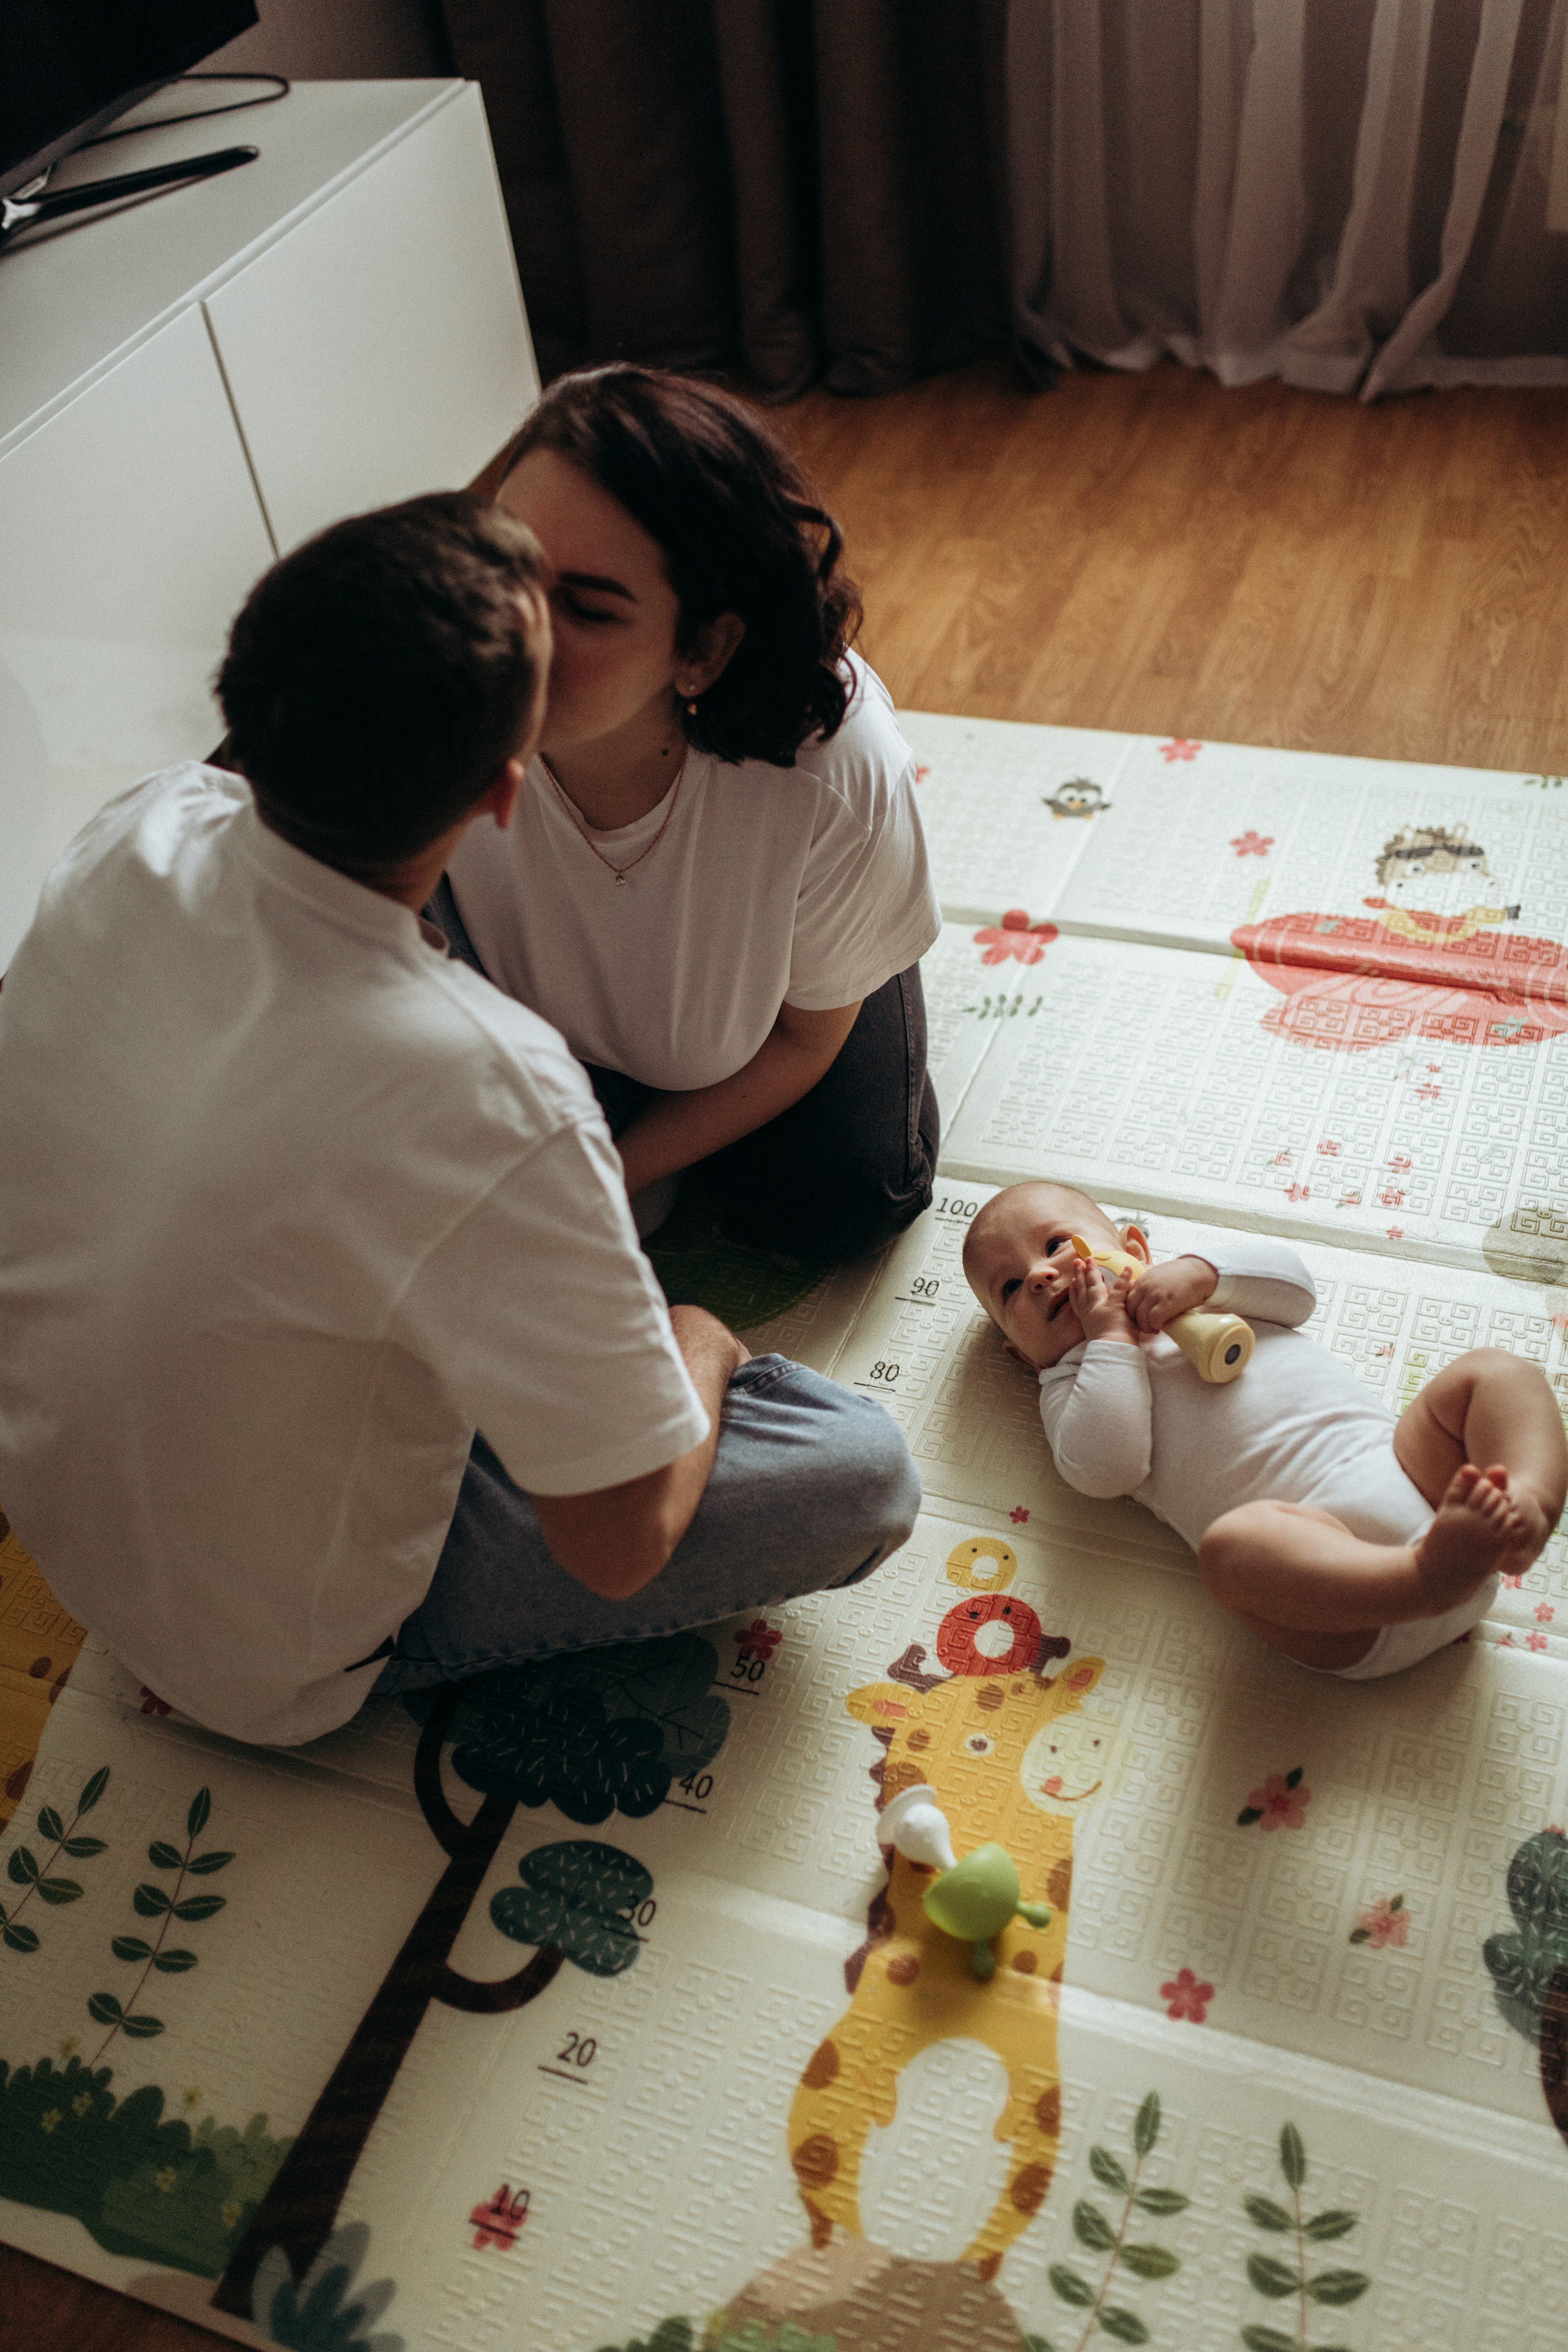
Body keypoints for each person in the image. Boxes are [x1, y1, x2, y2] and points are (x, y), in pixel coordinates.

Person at [0, 494, 920, 1750]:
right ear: (504, 791)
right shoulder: (496, 1088)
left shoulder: (138, 825)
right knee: (857, 1469)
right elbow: (615, 1547)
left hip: (75, 1523)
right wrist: (695, 1339)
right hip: (280, 1663)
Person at [434, 364, 943, 1261]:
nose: (509, 628)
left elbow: (799, 1042)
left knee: (842, 1199)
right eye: (498, 563)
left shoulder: (830, 773)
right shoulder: (424, 679)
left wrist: (606, 1171)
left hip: (782, 1018)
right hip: (552, 1005)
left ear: (704, 649)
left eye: (584, 610)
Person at [963, 1181, 1566, 1678]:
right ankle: (1424, 1578)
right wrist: (1111, 1341)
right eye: (1011, 1288)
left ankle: (1524, 1509)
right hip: (1338, 1590)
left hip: (1417, 1479)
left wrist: (1202, 1274)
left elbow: (1296, 1291)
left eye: (1055, 1244)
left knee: (1494, 1373)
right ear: (1020, 1355)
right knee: (1231, 1552)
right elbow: (1105, 1467)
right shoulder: (1067, 1382)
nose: (1040, 1274)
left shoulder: (1198, 1294)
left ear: (1135, 1248)